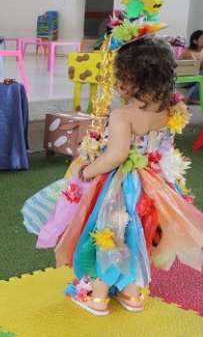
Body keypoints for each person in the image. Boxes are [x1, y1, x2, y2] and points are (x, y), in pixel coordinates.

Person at [21, 36, 203, 316]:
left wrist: (87, 170)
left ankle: (97, 295)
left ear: (130, 80)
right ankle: (132, 294)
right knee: (137, 234)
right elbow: (163, 147)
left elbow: (116, 155)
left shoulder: (123, 116)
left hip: (120, 188)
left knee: (108, 235)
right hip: (154, 186)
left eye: (121, 77)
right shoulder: (171, 111)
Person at [178, 30, 203, 105]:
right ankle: (193, 98)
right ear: (195, 41)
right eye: (202, 38)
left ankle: (193, 96)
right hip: (183, 79)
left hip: (194, 77)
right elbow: (196, 68)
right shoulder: (188, 52)